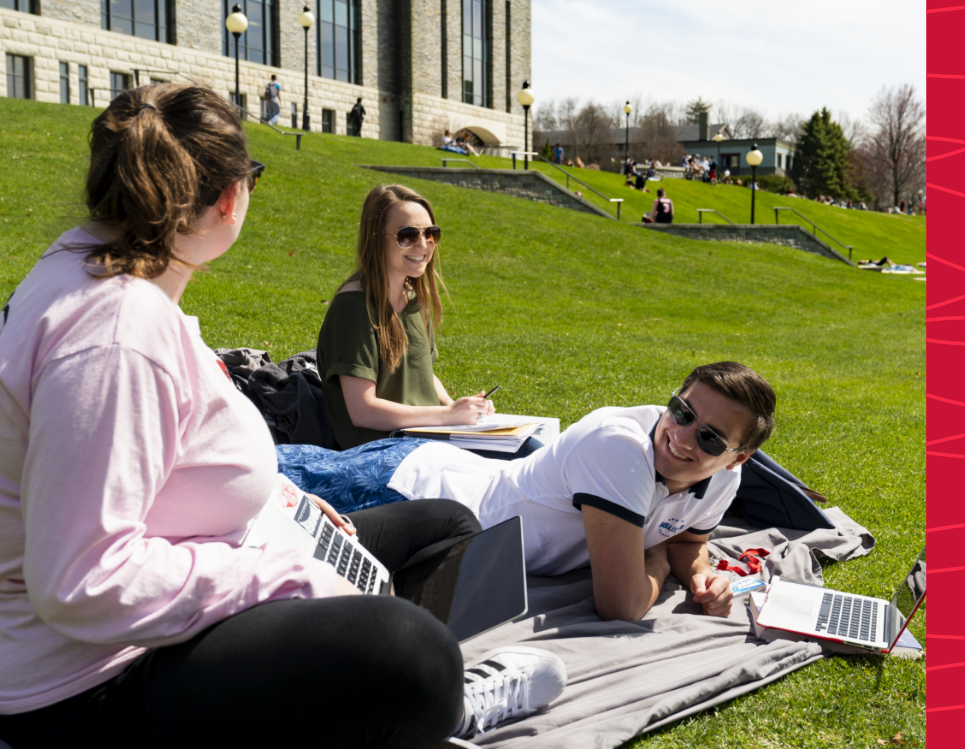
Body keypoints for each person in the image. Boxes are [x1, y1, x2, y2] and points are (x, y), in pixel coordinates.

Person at [0, 84, 564, 747]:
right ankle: (430, 702)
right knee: (414, 656)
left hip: (215, 564)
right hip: (91, 681)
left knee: (446, 525)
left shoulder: (95, 268)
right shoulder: (118, 335)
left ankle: (370, 695)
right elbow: (79, 582)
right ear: (232, 197)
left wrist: (279, 502)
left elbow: (158, 460)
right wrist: (283, 578)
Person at [278, 361, 777, 623]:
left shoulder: (723, 479)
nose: (683, 436)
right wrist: (659, 563)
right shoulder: (620, 449)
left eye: (710, 437)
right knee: (250, 475)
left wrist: (702, 578)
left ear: (738, 458)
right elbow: (621, 604)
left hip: (448, 492)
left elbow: (690, 541)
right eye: (682, 411)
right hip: (406, 491)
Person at [317, 184, 495, 451]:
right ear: (377, 238)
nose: (423, 244)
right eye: (407, 235)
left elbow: (423, 375)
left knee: (530, 451)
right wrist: (447, 416)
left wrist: (463, 408)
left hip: (428, 438)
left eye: (430, 233)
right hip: (380, 452)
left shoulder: (414, 299)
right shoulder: (354, 307)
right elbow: (362, 410)